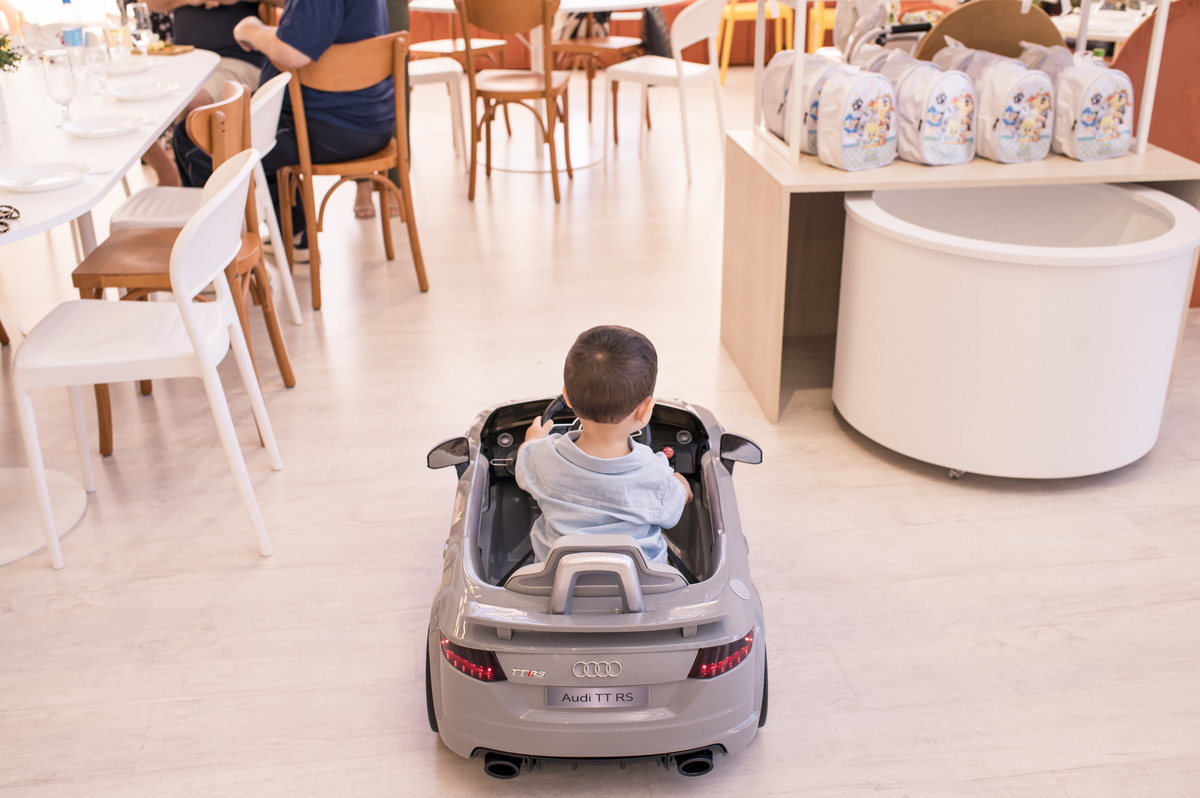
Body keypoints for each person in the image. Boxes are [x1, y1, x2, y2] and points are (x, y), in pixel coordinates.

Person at [174, 0, 394, 260]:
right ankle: (294, 236)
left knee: (200, 139)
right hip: (362, 120)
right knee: (244, 132)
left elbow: (293, 51)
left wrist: (250, 29)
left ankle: (218, 266)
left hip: (332, 125)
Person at [516, 326, 693, 564]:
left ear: (566, 397)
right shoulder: (657, 475)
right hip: (643, 587)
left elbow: (524, 456)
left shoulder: (540, 457)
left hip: (556, 580)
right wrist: (680, 484)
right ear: (645, 409)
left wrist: (533, 438)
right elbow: (678, 506)